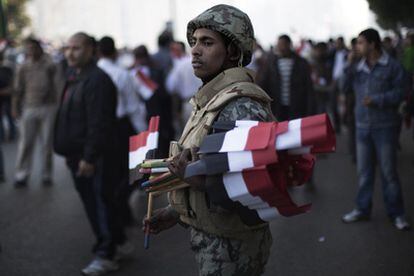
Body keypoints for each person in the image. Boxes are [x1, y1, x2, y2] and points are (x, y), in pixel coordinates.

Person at [144, 5, 275, 276]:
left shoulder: (240, 105)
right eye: (194, 42)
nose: (195, 50)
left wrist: (195, 178)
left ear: (233, 52)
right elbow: (210, 168)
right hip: (216, 240)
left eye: (207, 42)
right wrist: (174, 212)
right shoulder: (213, 98)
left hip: (233, 246)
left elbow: (251, 186)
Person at [54, 32, 127, 275]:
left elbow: (99, 123)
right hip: (78, 154)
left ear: (91, 50)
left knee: (99, 203)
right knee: (94, 202)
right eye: (68, 48)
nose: (70, 53)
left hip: (95, 157)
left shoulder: (97, 79)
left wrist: (89, 156)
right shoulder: (75, 75)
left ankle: (107, 252)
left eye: (76, 48)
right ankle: (116, 241)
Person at [342, 28, 410, 231]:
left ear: (373, 44)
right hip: (362, 127)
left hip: (385, 127)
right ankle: (362, 209)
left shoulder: (392, 66)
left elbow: (402, 92)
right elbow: (343, 87)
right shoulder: (357, 67)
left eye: (361, 43)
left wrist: (378, 100)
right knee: (364, 173)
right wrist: (349, 63)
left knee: (389, 173)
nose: (357, 46)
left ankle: (397, 214)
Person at [97, 36, 146, 227]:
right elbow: (133, 107)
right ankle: (121, 210)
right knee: (126, 173)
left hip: (100, 128)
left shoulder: (93, 74)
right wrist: (143, 135)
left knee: (107, 174)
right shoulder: (121, 74)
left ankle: (113, 215)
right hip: (119, 127)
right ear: (115, 52)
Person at [12, 38, 57, 187]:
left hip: (48, 107)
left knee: (47, 144)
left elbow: (57, 83)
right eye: (29, 48)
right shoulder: (23, 67)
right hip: (29, 107)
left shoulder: (50, 65)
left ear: (39, 49)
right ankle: (22, 174)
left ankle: (46, 174)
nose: (31, 51)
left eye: (34, 48)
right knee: (26, 143)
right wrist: (14, 107)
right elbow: (17, 89)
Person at [256, 34, 315, 121]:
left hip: (297, 107)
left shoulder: (301, 63)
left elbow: (308, 87)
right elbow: (264, 83)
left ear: (289, 45)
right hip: (277, 107)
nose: (281, 47)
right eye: (279, 45)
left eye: (284, 44)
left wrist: (310, 110)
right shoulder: (271, 63)